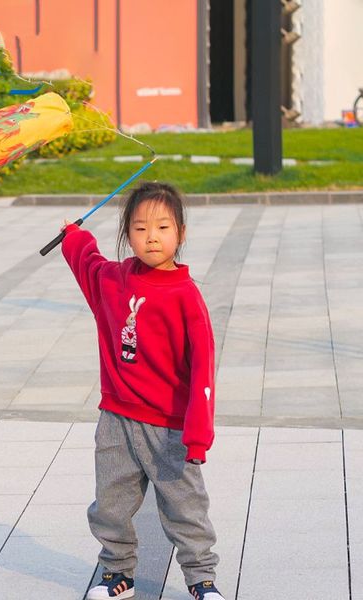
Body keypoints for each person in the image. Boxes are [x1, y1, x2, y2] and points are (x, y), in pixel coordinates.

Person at [60, 182, 224, 600]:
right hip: (116, 418)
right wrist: (74, 237)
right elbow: (87, 263)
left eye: (163, 227)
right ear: (127, 234)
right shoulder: (113, 280)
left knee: (185, 506)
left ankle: (201, 579)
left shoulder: (186, 297)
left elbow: (204, 368)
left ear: (180, 234)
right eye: (139, 228)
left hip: (169, 425)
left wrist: (198, 433)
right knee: (110, 502)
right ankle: (117, 573)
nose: (151, 236)